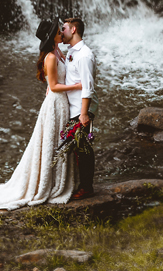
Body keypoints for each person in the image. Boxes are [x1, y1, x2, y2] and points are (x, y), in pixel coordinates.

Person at [0, 19, 81, 209]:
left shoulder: (58, 52)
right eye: (58, 31)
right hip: (56, 104)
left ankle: (58, 179)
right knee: (51, 142)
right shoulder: (51, 57)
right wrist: (77, 86)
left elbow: (52, 83)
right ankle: (47, 183)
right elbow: (53, 86)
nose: (62, 32)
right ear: (52, 36)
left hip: (61, 103)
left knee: (56, 142)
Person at [60, 16, 97, 199]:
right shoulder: (71, 51)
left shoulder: (84, 55)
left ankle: (87, 187)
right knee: (76, 148)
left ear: (73, 30)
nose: (61, 31)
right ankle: (79, 183)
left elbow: (87, 86)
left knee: (83, 149)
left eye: (64, 28)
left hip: (81, 109)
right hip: (73, 106)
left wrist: (84, 114)